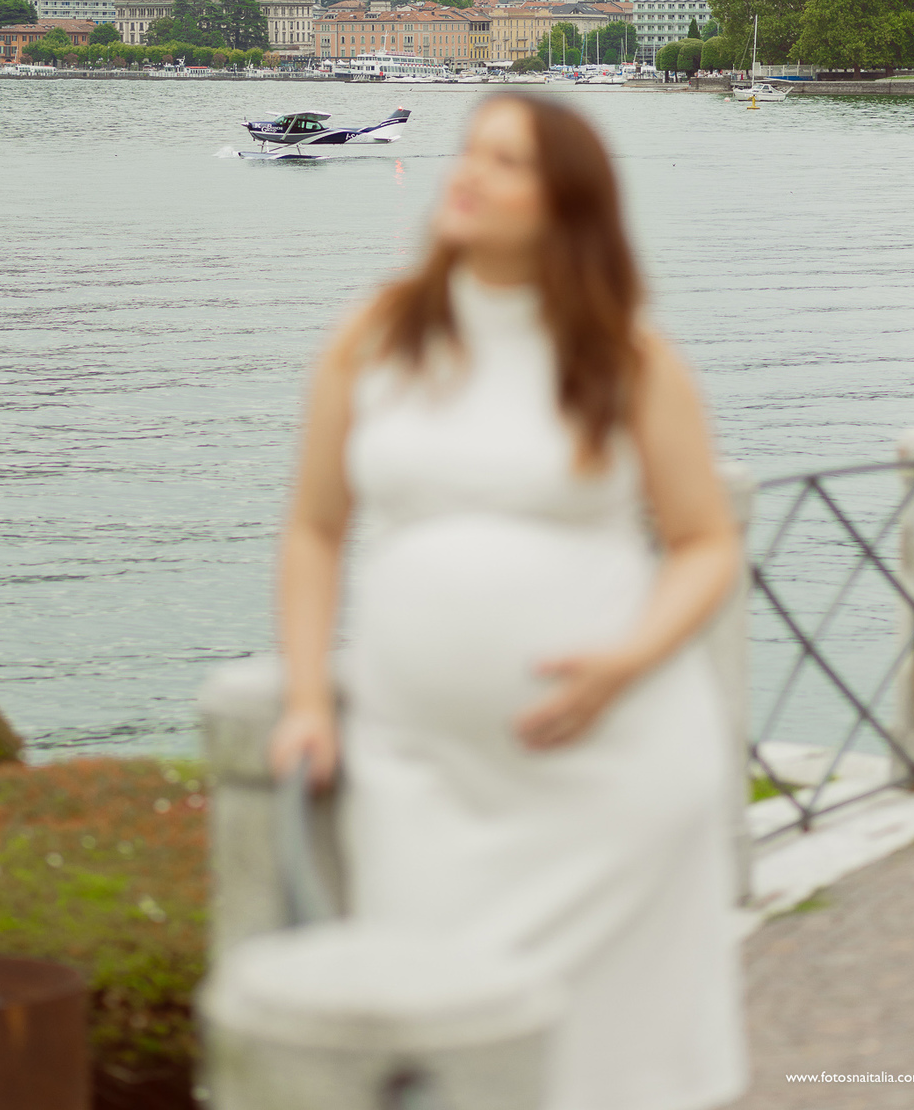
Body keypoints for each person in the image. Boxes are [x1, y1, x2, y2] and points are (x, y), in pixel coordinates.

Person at [271, 94, 747, 1110]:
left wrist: (626, 660)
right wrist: (309, 699)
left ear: (567, 204)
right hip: (419, 776)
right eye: (471, 150)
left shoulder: (628, 357)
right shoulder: (376, 334)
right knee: (445, 1051)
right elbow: (316, 528)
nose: (469, 171)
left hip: (610, 773)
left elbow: (705, 541)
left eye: (507, 161)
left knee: (611, 1069)